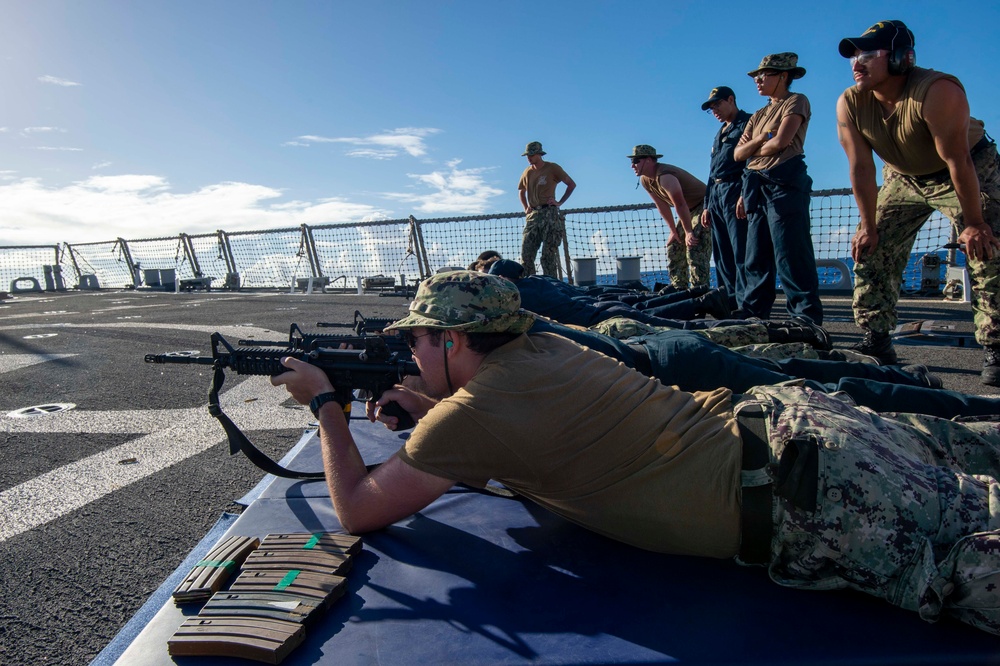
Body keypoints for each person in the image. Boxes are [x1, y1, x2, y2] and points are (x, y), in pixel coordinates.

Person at [272, 271, 1000, 637]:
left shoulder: (476, 413)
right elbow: (520, 431)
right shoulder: (544, 348)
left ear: (453, 341)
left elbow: (358, 511)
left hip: (812, 498)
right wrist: (430, 411)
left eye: (418, 339)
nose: (409, 350)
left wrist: (325, 407)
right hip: (800, 428)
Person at [836, 20, 1000, 382]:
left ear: (898, 58)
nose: (856, 62)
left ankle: (997, 345)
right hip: (902, 176)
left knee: (987, 245)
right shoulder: (851, 102)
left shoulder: (937, 90)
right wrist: (867, 227)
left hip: (965, 167)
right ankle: (876, 339)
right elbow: (861, 169)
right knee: (871, 246)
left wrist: (973, 222)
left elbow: (958, 159)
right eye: (853, 55)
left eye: (868, 53)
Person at [734, 53, 823, 325]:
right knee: (756, 255)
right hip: (755, 186)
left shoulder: (796, 101)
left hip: (784, 182)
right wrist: (762, 138)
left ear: (784, 76)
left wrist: (754, 149)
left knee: (790, 252)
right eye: (756, 76)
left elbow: (782, 142)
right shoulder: (758, 115)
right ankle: (753, 315)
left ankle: (805, 319)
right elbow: (738, 155)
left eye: (764, 75)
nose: (758, 80)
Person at [629, 145, 712, 290]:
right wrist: (673, 231)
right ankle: (679, 289)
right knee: (674, 246)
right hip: (688, 210)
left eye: (636, 160)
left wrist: (688, 232)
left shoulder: (665, 176)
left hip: (704, 206)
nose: (632, 165)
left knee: (694, 246)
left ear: (648, 160)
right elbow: (662, 206)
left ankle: (700, 291)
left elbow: (679, 204)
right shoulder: (645, 180)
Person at [702, 86, 752, 314]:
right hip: (716, 194)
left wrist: (745, 194)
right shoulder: (719, 133)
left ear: (731, 100)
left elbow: (751, 164)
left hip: (735, 188)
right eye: (711, 108)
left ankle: (744, 303)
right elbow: (712, 171)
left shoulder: (747, 124)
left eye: (717, 105)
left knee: (740, 249)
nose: (715, 111)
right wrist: (706, 206)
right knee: (721, 254)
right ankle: (728, 301)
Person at [518, 142, 576, 278]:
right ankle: (529, 285)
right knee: (526, 255)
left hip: (549, 214)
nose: (529, 157)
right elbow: (521, 191)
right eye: (528, 155)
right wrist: (526, 207)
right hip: (533, 216)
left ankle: (551, 286)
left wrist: (559, 202)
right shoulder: (527, 171)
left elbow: (571, 184)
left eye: (532, 154)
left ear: (539, 154)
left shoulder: (552, 168)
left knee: (548, 255)